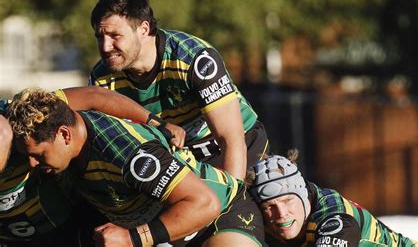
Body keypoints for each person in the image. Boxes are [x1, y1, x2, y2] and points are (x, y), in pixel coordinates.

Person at [6, 88, 265, 247]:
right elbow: (94, 95)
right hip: (155, 225)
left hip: (218, 213)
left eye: (37, 155)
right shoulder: (54, 114)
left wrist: (133, 239)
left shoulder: (128, 154)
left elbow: (204, 203)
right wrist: (153, 121)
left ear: (64, 135)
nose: (32, 164)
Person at [88, 0, 268, 180]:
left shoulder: (193, 58)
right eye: (100, 37)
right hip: (179, 159)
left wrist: (230, 197)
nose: (105, 47)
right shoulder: (101, 80)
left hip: (235, 147)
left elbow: (231, 140)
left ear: (144, 29)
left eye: (115, 36)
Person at [0, 86, 171, 246]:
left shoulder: (123, 152)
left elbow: (93, 96)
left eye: (37, 155)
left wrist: (157, 123)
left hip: (64, 227)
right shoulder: (26, 123)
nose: (32, 163)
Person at [246, 150, 418, 247]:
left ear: (303, 195)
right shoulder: (258, 222)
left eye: (287, 201)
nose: (281, 213)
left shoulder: (333, 217)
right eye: (270, 206)